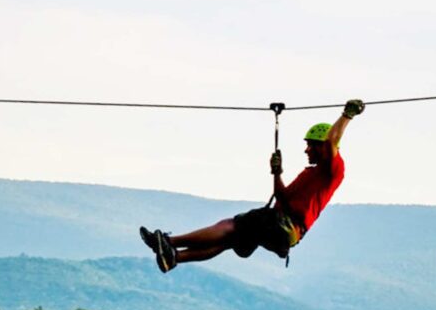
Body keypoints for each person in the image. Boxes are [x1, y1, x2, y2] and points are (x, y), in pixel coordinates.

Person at [140, 99, 365, 273]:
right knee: (229, 240)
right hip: (284, 229)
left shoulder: (332, 171)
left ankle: (167, 241)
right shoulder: (310, 175)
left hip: (284, 226)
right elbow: (283, 198)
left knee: (230, 225)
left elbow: (331, 141)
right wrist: (277, 173)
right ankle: (175, 258)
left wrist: (347, 115)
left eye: (309, 146)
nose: (306, 150)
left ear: (320, 147)